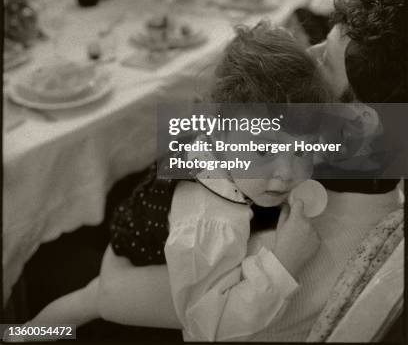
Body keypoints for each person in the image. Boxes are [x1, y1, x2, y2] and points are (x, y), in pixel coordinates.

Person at [20, 24, 332, 342]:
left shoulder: (229, 141)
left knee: (83, 301)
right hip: (145, 258)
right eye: (265, 148)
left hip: (150, 232)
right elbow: (209, 325)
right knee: (89, 301)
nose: (286, 172)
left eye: (304, 148)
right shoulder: (212, 220)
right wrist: (284, 264)